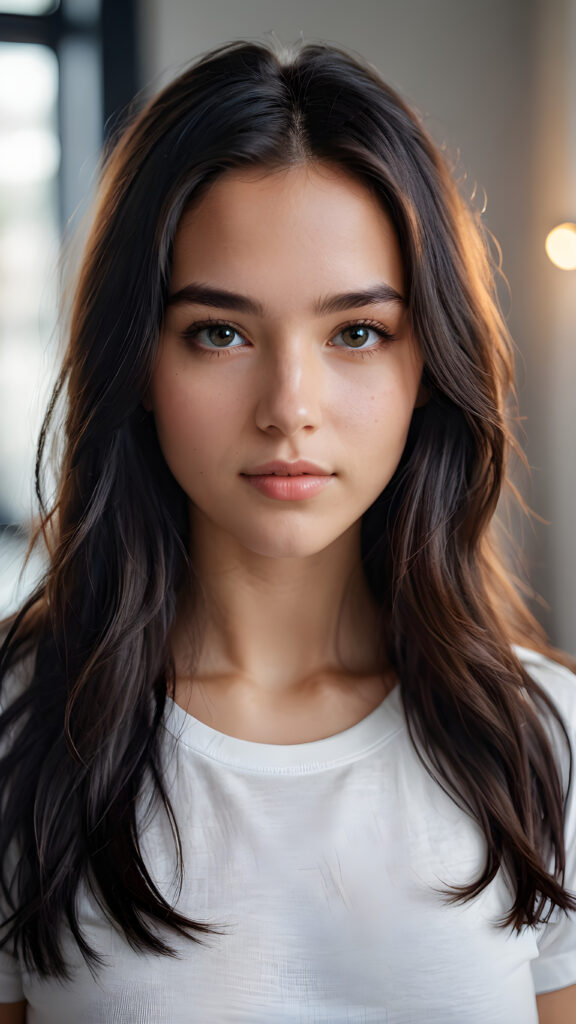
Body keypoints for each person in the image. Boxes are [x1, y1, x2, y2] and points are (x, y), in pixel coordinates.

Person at [0, 35, 575, 1024]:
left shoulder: (546, 740)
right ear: (140, 361)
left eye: (356, 332)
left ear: (427, 364)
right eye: (219, 332)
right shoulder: (20, 734)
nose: (289, 408)